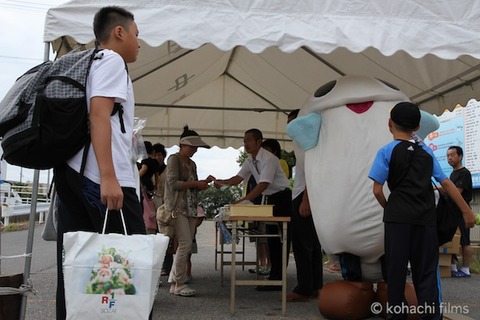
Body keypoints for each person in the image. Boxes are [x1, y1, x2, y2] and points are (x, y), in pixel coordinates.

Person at [53, 6, 143, 320]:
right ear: (119, 32)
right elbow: (99, 115)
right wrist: (109, 177)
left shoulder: (89, 62)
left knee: (76, 269)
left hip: (72, 173)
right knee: (122, 276)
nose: (139, 42)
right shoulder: (113, 60)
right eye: (136, 33)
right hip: (102, 180)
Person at [368, 102, 476, 319]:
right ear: (417, 127)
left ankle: (396, 316)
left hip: (397, 218)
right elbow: (445, 182)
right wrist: (466, 211)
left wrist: (389, 208)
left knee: (396, 272)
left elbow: (377, 190)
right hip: (425, 218)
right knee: (425, 272)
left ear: (390, 124)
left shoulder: (386, 151)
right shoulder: (426, 152)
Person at [214, 128, 291, 291]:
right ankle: (274, 277)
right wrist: (222, 182)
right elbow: (238, 178)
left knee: (281, 238)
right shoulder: (250, 160)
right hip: (269, 199)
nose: (245, 143)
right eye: (244, 140)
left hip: (282, 198)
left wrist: (243, 200)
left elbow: (263, 184)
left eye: (248, 140)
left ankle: (279, 277)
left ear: (259, 141)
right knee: (272, 239)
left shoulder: (269, 159)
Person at [166, 126, 213, 297]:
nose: (194, 150)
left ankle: (176, 281)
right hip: (177, 207)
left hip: (191, 208)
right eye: (192, 147)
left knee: (184, 245)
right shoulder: (174, 159)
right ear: (183, 145)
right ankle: (178, 283)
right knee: (185, 244)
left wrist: (203, 184)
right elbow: (173, 183)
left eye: (196, 147)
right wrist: (195, 184)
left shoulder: (192, 164)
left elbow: (192, 187)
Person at [285, 109, 323, 302]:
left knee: (303, 245)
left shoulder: (306, 145)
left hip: (304, 196)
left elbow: (311, 172)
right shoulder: (306, 144)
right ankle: (315, 285)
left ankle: (305, 288)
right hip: (307, 195)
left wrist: (306, 200)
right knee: (313, 244)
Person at [446, 146, 473, 278]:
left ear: (460, 156)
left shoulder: (464, 173)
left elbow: (457, 192)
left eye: (452, 155)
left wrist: (440, 188)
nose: (449, 158)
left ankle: (466, 268)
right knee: (452, 238)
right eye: (447, 156)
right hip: (452, 212)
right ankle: (452, 266)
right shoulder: (452, 174)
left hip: (463, 211)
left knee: (465, 240)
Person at [139, 141, 160, 234]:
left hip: (143, 184)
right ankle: (151, 225)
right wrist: (156, 185)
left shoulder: (145, 161)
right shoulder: (155, 162)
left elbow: (144, 169)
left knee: (145, 207)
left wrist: (135, 177)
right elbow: (157, 175)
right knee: (149, 206)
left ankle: (146, 225)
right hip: (150, 186)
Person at [185, 205, 207, 284]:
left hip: (191, 238)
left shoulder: (196, 208)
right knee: (185, 258)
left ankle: (188, 274)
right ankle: (186, 274)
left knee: (187, 258)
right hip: (187, 237)